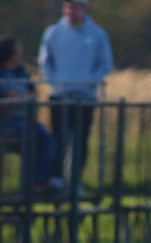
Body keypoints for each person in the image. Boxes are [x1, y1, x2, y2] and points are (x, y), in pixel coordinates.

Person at [38, 0, 113, 191]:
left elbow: (105, 64)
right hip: (59, 95)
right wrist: (57, 82)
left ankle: (75, 180)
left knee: (80, 139)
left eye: (76, 7)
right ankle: (56, 178)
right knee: (58, 138)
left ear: (84, 8)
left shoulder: (97, 34)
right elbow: (45, 62)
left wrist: (88, 81)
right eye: (68, 6)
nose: (71, 11)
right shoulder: (53, 32)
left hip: (84, 96)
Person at [0, 37, 57, 189]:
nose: (20, 54)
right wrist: (3, 98)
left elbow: (32, 94)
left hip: (23, 120)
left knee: (46, 138)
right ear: (10, 53)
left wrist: (22, 97)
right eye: (17, 50)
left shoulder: (21, 73)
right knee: (36, 135)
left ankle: (40, 182)